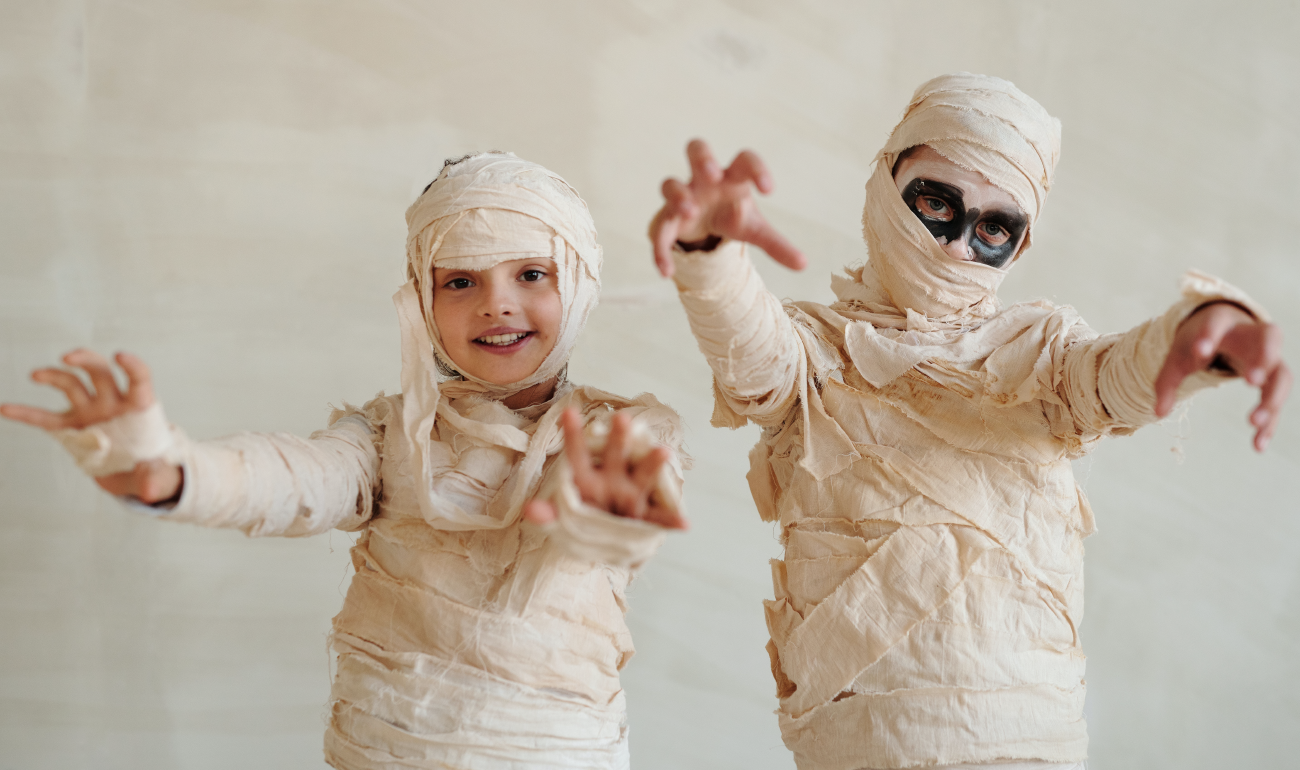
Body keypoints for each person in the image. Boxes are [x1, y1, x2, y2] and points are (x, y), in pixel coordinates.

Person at [647, 73, 1290, 769]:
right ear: (883, 187)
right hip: (859, 745)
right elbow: (754, 361)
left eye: (992, 227)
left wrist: (1201, 332)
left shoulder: (1041, 357)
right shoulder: (817, 355)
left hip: (1025, 739)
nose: (957, 246)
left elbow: (1116, 376)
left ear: (1022, 245)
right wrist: (709, 259)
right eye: (934, 202)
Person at [2, 152, 687, 770]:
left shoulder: (624, 431)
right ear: (422, 298)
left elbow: (623, 501)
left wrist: (607, 510)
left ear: (581, 283)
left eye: (531, 273)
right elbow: (298, 476)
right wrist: (174, 471)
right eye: (460, 282)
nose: (496, 303)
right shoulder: (390, 433)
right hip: (379, 749)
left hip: (558, 753)